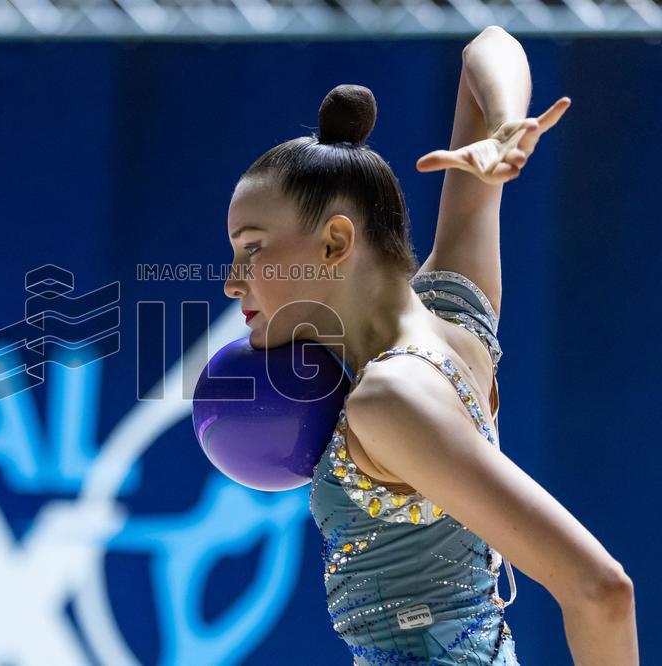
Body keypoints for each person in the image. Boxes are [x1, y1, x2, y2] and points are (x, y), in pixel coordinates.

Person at [222, 26, 638, 666]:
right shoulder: (455, 311)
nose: (231, 281)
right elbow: (489, 43)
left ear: (335, 243)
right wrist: (501, 123)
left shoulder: (391, 398)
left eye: (251, 249)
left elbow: (602, 590)